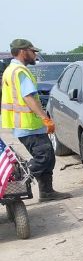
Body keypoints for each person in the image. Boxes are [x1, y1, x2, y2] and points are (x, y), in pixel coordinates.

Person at [1, 38, 71, 201]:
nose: (36, 55)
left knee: (48, 157)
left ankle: (46, 192)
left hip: (28, 125)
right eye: (33, 52)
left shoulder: (11, 70)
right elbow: (29, 97)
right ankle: (17, 179)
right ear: (23, 51)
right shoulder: (19, 72)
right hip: (28, 125)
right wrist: (45, 118)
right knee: (44, 157)